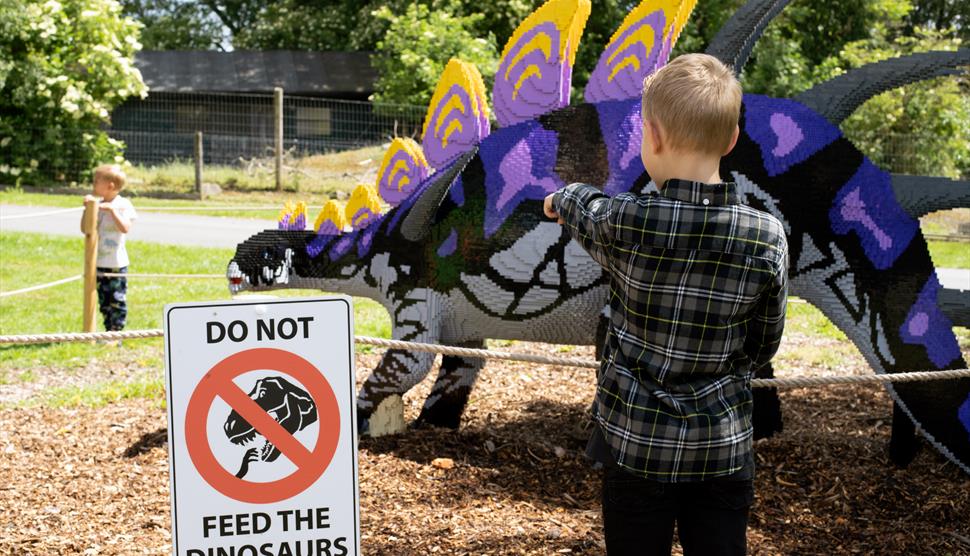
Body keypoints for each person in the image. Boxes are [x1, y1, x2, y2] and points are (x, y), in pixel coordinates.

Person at [543, 53, 789, 556]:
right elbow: (765, 345)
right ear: (731, 140)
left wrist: (559, 198)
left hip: (635, 445)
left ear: (650, 136)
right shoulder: (766, 236)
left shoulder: (624, 222)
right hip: (722, 448)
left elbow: (580, 204)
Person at [83, 164, 137, 333]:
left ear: (110, 186)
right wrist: (87, 210)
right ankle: (108, 331)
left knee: (116, 299)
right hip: (98, 262)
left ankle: (116, 332)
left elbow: (125, 228)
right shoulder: (96, 205)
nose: (93, 184)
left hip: (116, 263)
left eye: (96, 181)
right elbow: (85, 229)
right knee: (104, 300)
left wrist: (113, 211)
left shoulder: (123, 204)